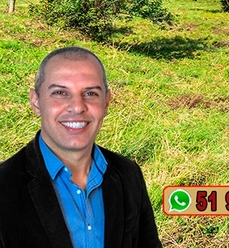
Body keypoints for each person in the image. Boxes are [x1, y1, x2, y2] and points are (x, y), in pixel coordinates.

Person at [0, 46, 162, 248]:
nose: (77, 107)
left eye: (90, 93)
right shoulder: (4, 185)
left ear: (106, 102)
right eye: (60, 92)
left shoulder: (129, 174)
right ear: (36, 102)